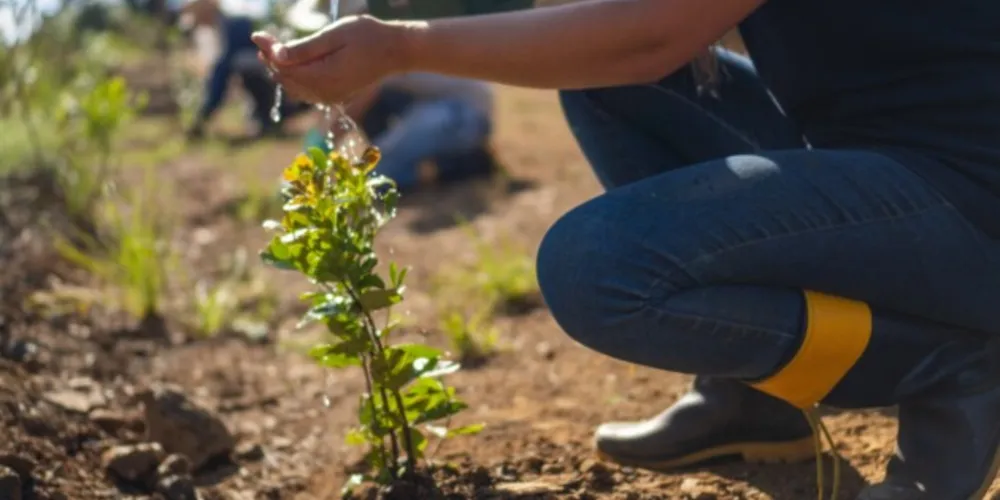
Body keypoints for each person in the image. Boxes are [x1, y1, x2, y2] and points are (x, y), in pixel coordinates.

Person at [250, 1, 1000, 498]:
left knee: (600, 267)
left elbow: (647, 37)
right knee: (601, 85)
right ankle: (756, 400)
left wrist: (401, 46)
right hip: (882, 155)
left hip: (971, 190)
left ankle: (949, 365)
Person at [179, 0, 309, 139]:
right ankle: (268, 117)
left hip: (270, 73)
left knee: (243, 65)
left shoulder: (232, 26)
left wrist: (205, 113)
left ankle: (275, 115)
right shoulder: (223, 26)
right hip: (270, 72)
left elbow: (222, 73)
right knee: (242, 67)